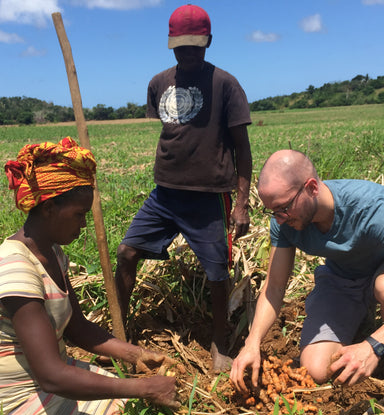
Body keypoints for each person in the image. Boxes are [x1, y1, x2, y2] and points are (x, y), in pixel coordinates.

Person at [0, 137, 179, 415]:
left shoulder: (52, 253)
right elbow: (50, 375)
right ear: (49, 207)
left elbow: (77, 327)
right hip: (25, 400)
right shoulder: (15, 268)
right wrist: (143, 388)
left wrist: (134, 354)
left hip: (57, 378)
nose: (84, 224)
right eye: (80, 214)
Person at [115, 4, 252, 372]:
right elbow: (171, 132)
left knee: (218, 276)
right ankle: (118, 330)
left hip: (209, 199)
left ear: (208, 42)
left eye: (196, 45)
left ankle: (219, 343)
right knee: (127, 253)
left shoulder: (226, 84)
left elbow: (242, 148)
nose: (188, 53)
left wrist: (241, 204)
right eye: (181, 46)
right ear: (170, 44)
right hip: (165, 195)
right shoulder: (159, 82)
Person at [230, 149, 384, 393]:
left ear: (312, 187)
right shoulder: (285, 223)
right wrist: (252, 343)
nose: (279, 219)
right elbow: (275, 287)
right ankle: (361, 317)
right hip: (343, 278)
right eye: (272, 211)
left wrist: (374, 345)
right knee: (317, 368)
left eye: (284, 208)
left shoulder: (373, 209)